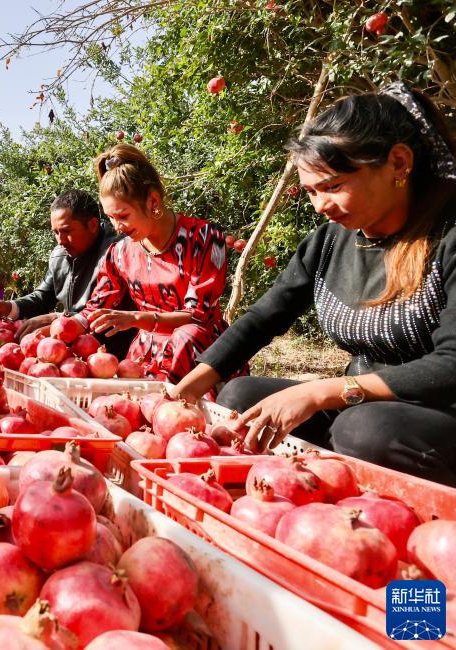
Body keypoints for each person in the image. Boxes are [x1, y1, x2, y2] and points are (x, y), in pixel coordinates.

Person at [174, 83, 456, 487]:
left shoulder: (448, 236)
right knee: (241, 399)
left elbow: (450, 365)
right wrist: (185, 390)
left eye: (334, 186)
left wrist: (320, 392)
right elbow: (265, 316)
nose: (320, 205)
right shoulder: (330, 241)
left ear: (398, 163)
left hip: (435, 413)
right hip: (358, 404)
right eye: (311, 191)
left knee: (363, 429)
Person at [76, 144, 236, 384]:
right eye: (110, 218)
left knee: (187, 337)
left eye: (123, 216)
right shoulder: (119, 253)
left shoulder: (203, 238)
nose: (117, 227)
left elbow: (197, 317)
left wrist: (136, 319)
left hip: (199, 357)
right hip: (145, 360)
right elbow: (96, 307)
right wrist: (57, 326)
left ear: (152, 201)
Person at [0, 189, 135, 355]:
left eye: (67, 231)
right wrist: (9, 307)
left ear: (93, 225)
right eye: (56, 232)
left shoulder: (120, 254)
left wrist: (58, 318)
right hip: (71, 357)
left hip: (116, 357)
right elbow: (43, 296)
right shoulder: (60, 255)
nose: (60, 240)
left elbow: (108, 310)